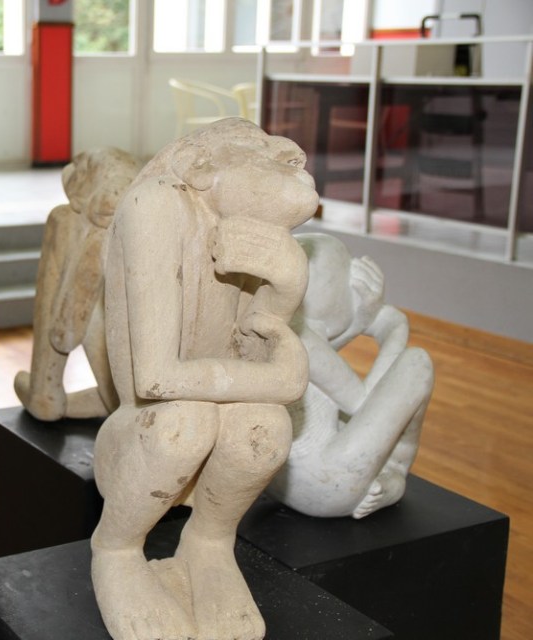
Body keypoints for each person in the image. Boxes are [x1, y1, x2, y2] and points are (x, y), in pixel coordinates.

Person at [91, 118, 317, 640]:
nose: (294, 158)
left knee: (266, 429)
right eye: (263, 150)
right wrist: (283, 382)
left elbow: (252, 353)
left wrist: (284, 289)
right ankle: (116, 548)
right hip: (142, 438)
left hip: (205, 436)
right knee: (185, 424)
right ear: (200, 166)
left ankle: (209, 544)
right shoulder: (155, 203)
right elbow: (156, 380)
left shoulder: (244, 223)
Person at [267, 233, 434, 519]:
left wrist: (362, 320)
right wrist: (395, 328)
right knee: (417, 363)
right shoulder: (304, 338)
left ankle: (383, 474)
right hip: (328, 486)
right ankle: (395, 468)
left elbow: (324, 368)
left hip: (278, 482)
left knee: (338, 414)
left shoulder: (281, 327)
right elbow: (364, 404)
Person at [14, 147, 140, 421]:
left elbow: (67, 326)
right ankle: (48, 393)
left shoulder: (74, 224)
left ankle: (44, 389)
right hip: (160, 395)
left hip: (129, 403)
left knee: (63, 221)